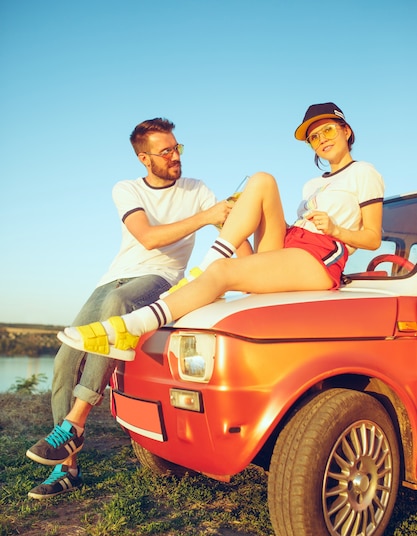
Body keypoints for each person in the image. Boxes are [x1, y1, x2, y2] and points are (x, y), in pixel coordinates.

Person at [27, 102, 385, 478]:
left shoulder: (365, 173)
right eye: (314, 136)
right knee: (261, 180)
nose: (321, 140)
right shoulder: (314, 184)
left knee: (218, 271)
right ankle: (66, 454)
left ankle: (140, 320)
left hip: (320, 256)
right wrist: (237, 243)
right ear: (144, 158)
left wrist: (333, 230)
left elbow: (372, 237)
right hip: (291, 246)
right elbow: (153, 235)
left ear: (346, 131)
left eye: (327, 130)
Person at [26, 117, 250, 499]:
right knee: (64, 360)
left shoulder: (197, 189)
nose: (176, 156)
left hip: (161, 279)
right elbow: (147, 238)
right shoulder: (126, 189)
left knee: (119, 304)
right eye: (166, 151)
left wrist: (247, 274)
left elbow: (232, 235)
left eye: (178, 147)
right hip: (113, 278)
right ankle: (67, 468)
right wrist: (206, 216)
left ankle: (75, 423)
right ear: (145, 159)